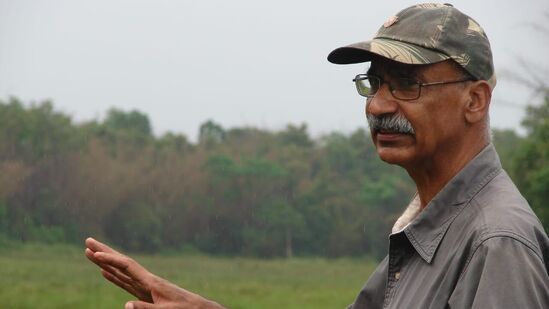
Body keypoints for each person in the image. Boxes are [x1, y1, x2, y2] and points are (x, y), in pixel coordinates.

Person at [85, 3, 549, 309]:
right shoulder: (431, 225)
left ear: (476, 101)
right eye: (375, 83)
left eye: (408, 84)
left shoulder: (497, 243)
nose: (378, 105)